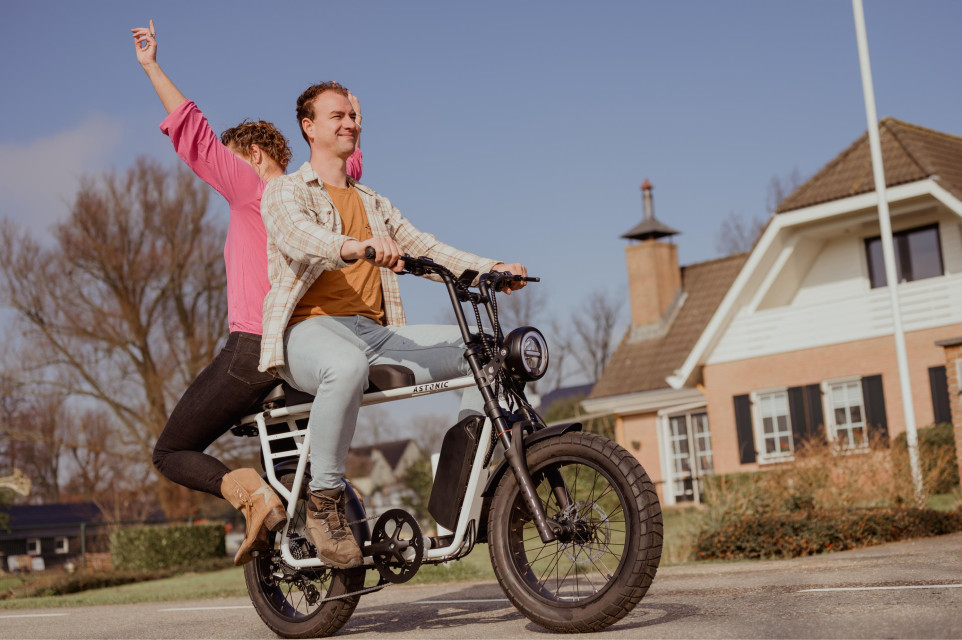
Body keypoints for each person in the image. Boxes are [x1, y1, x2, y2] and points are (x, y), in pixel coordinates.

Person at [259, 82, 527, 568]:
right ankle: (324, 503)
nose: (349, 123)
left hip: (375, 335)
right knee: (345, 365)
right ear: (309, 127)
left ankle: (464, 489)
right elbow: (300, 237)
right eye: (336, 116)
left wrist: (492, 269)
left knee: (487, 350)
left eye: (353, 117)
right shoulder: (285, 191)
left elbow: (426, 246)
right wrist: (354, 246)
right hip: (309, 332)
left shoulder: (374, 202)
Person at [131, 22, 365, 566]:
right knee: (297, 465)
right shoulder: (324, 192)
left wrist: (151, 67)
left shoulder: (252, 188)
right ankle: (322, 543)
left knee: (170, 451)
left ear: (255, 154)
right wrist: (354, 111)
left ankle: (249, 494)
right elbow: (349, 157)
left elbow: (193, 134)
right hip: (309, 349)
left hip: (255, 347)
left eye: (234, 158)